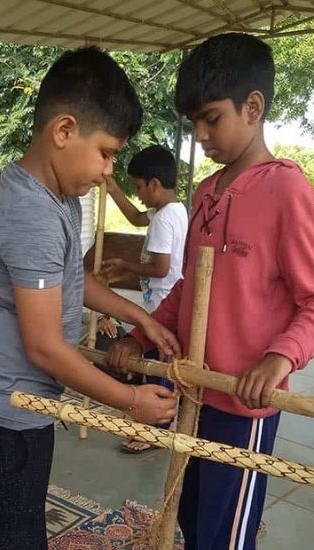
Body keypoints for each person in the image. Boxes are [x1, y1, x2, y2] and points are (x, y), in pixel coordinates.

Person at [110, 33, 314, 550]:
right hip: (192, 393)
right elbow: (191, 289)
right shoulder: (207, 193)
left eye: (212, 119)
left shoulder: (287, 189)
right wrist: (141, 335)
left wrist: (279, 356)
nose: (200, 135)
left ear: (254, 107)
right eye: (194, 121)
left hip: (244, 408)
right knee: (192, 521)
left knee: (226, 539)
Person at [0, 47, 180, 550]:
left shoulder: (59, 200)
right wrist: (128, 402)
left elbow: (72, 281)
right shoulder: (32, 213)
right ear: (64, 131)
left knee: (7, 534)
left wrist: (138, 314)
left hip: (3, 405)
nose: (108, 172)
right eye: (106, 154)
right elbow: (45, 347)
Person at [100, 145, 187, 453]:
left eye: (137, 187)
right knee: (158, 366)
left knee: (159, 369)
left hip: (164, 306)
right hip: (162, 304)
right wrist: (112, 189)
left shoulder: (164, 219)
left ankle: (157, 430)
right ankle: (158, 422)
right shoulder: (171, 210)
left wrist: (125, 266)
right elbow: (136, 217)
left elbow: (160, 268)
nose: (136, 193)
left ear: (154, 183)